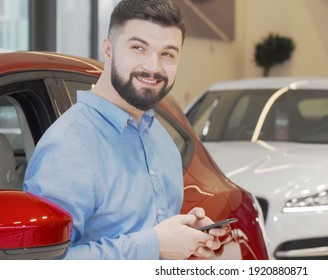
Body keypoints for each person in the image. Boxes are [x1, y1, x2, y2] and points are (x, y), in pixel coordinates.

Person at [24, 0, 225, 260]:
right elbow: (45, 265)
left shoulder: (162, 139)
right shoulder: (67, 147)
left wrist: (186, 235)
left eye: (168, 54)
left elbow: (153, 233)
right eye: (138, 48)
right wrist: (154, 245)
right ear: (108, 49)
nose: (153, 66)